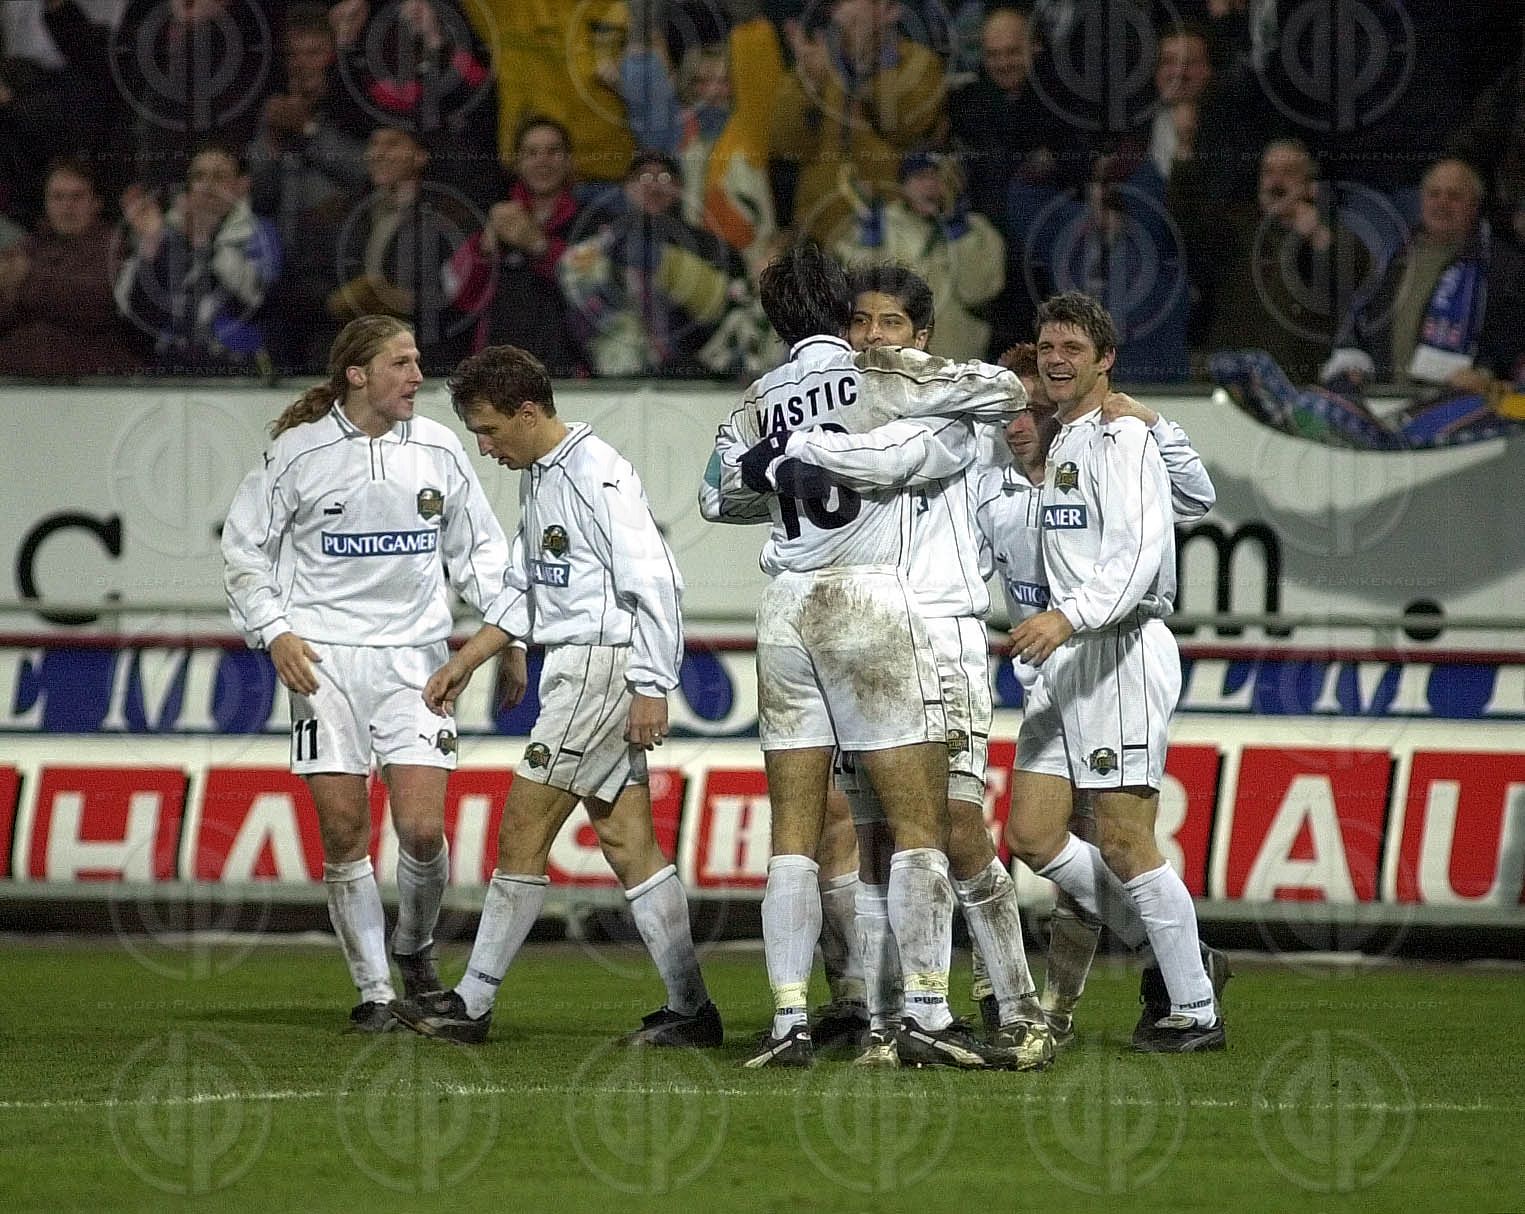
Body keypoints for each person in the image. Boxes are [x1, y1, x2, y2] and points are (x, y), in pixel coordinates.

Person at [700, 242, 1025, 1069]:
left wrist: (784, 465)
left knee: (796, 834)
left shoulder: (757, 399)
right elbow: (1003, 391)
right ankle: (926, 1012)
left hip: (785, 606)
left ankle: (788, 1021)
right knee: (916, 823)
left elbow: (715, 495)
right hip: (870, 600)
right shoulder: (876, 376)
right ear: (840, 310)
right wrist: (904, 378)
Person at [387, 344, 719, 1048]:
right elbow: (524, 590)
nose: (484, 448)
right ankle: (692, 1008)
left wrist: (652, 685)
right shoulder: (541, 476)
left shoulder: (597, 475)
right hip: (577, 665)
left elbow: (657, 581)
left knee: (522, 830)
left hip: (600, 667)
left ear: (528, 411)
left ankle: (473, 1002)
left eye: (489, 430)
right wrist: (467, 659)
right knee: (628, 841)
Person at [782, 263, 1053, 1070]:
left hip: (939, 637)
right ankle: (888, 1017)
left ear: (922, 336)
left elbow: (991, 402)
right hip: (864, 637)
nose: (873, 336)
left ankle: (1018, 1007)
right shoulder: (840, 410)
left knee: (956, 829)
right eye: (861, 322)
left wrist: (800, 445)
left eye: (891, 323)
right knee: (873, 841)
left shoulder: (955, 414)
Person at [221, 315, 520, 1032]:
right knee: (345, 828)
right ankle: (375, 991)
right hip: (323, 663)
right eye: (402, 363)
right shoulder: (298, 453)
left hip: (417, 660)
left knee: (421, 830)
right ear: (358, 374)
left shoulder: (439, 448)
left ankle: (413, 945)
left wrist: (507, 636)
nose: (418, 376)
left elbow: (480, 550)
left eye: (416, 361)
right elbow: (244, 550)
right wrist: (275, 632)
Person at [977, 339, 1219, 1047]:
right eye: (1008, 410)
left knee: (1120, 839)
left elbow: (1195, 497)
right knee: (1031, 836)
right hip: (1050, 674)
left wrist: (1153, 423)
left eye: (1031, 407)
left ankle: (1184, 997)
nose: (1018, 423)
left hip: (1112, 654)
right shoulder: (989, 492)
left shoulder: (1106, 455)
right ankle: (1178, 951)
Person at [769, 0, 947, 242]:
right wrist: (810, 84)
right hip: (822, 229)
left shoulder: (919, 62)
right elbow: (787, 145)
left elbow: (906, 128)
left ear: (887, 10)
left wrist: (870, 64)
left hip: (893, 231)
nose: (838, 11)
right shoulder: (816, 62)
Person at [115, 144, 282, 373]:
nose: (207, 185)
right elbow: (130, 312)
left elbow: (257, 300)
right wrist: (151, 244)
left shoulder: (259, 233)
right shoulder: (164, 233)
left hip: (239, 366)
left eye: (219, 177)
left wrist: (204, 244)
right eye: (199, 176)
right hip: (171, 367)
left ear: (242, 185)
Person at [443, 115, 588, 375]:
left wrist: (541, 247)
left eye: (553, 151)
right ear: (517, 163)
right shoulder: (491, 220)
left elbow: (600, 293)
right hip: (499, 376)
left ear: (569, 161)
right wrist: (482, 251)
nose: (542, 161)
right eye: (531, 153)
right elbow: (457, 296)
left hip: (572, 375)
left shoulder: (591, 222)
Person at [836, 151, 1007, 360]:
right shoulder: (879, 223)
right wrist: (869, 240)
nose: (930, 185)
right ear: (903, 184)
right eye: (921, 177)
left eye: (939, 177)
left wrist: (960, 235)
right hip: (887, 358)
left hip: (956, 356)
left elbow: (978, 292)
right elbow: (856, 290)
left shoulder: (978, 230)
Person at [0, 158, 143, 375]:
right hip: (18, 378)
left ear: (96, 202)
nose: (67, 206)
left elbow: (96, 302)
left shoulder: (114, 248)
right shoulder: (27, 246)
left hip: (90, 379)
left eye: (77, 197)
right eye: (58, 197)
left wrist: (24, 283)